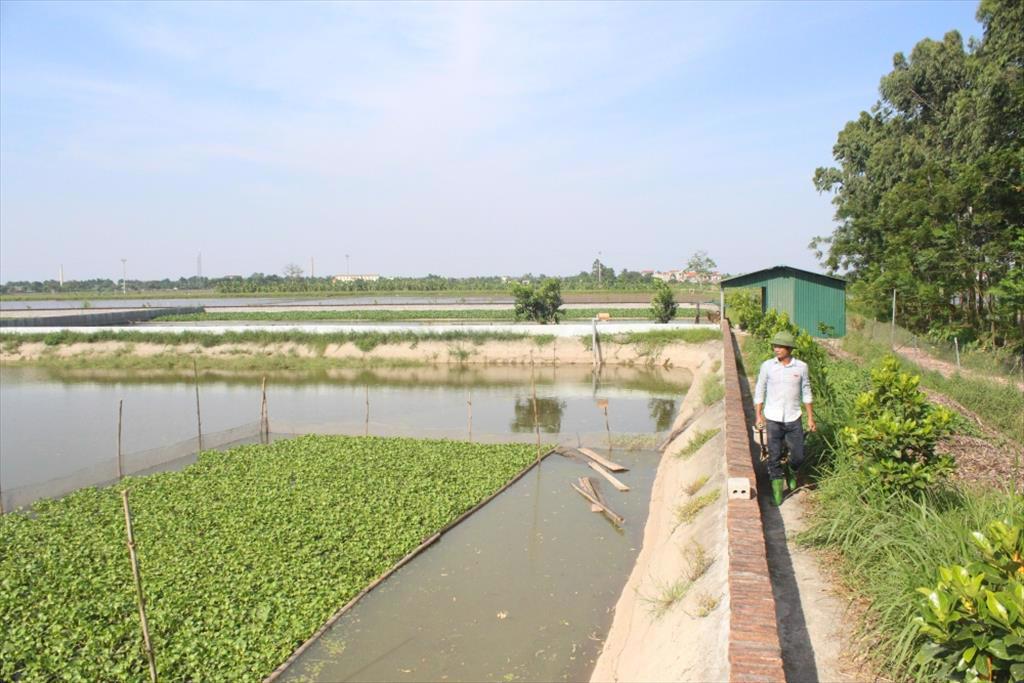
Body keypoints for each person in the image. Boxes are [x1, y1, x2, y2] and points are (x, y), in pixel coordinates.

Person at [754, 330, 816, 506]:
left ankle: (790, 469)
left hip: (793, 416)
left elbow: (806, 392)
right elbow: (760, 390)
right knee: (773, 456)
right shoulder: (767, 366)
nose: (776, 349)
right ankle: (778, 495)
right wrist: (758, 415)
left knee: (798, 456)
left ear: (789, 348)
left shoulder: (801, 367)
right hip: (772, 417)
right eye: (775, 346)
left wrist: (810, 418)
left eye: (780, 346)